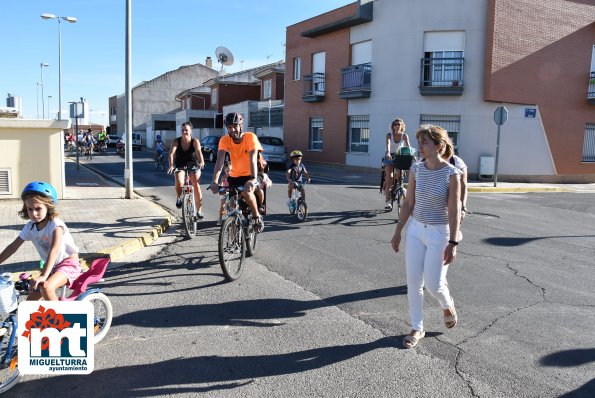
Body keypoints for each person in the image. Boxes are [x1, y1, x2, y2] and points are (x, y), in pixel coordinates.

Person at [390, 125, 461, 349]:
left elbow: (454, 210)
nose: (420, 146)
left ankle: (446, 302)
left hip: (440, 233)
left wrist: (453, 242)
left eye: (425, 143)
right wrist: (398, 230)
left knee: (434, 284)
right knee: (413, 281)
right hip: (416, 230)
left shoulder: (452, 173)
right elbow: (409, 202)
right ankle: (417, 326)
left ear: (439, 146)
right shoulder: (416, 170)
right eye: (419, 142)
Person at [0, 182, 82, 301]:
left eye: (38, 209)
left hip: (68, 264)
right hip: (51, 266)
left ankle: (64, 317)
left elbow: (54, 250)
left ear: (48, 207)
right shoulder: (30, 227)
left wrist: (43, 276)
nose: (33, 213)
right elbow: (13, 247)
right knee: (29, 304)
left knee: (46, 287)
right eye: (30, 209)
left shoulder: (56, 225)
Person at [209, 112, 264, 232]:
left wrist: (253, 179)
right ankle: (234, 240)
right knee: (232, 206)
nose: (232, 129)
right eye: (229, 127)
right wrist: (214, 181)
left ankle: (256, 217)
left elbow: (253, 159)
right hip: (234, 176)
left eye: (235, 126)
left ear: (241, 126)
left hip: (252, 173)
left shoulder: (250, 137)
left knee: (247, 192)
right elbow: (219, 161)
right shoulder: (225, 140)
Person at [167, 122, 205, 217]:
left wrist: (201, 162)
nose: (184, 132)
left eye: (186, 130)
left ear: (191, 131)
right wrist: (171, 165)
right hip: (180, 165)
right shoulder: (176, 141)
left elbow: (199, 153)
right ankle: (179, 197)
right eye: (183, 130)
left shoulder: (195, 141)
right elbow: (171, 154)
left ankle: (199, 211)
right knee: (179, 182)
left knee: (196, 186)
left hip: (193, 165)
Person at [383, 118, 413, 211]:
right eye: (395, 124)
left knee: (400, 178)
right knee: (390, 179)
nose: (397, 126)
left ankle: (400, 188)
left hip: (399, 156)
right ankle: (388, 202)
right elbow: (388, 144)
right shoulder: (389, 135)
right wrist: (388, 153)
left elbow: (408, 146)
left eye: (399, 124)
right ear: (393, 126)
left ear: (402, 126)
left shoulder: (404, 136)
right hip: (390, 156)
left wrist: (412, 155)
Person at [217, 160, 232, 226]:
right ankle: (220, 218)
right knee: (222, 206)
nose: (228, 172)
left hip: (231, 191)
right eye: (227, 171)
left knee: (232, 205)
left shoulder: (233, 177)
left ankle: (231, 218)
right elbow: (220, 184)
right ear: (224, 171)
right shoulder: (223, 177)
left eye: (230, 170)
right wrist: (220, 187)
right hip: (224, 192)